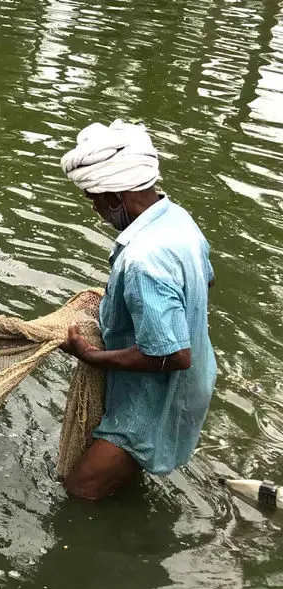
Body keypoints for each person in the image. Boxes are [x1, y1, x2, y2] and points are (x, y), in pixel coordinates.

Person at [58, 119, 217, 500]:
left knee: (80, 493)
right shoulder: (177, 218)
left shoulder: (144, 260)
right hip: (194, 384)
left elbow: (173, 355)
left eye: (95, 199)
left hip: (153, 403)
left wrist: (93, 356)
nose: (95, 209)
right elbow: (205, 281)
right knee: (119, 483)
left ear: (115, 197)